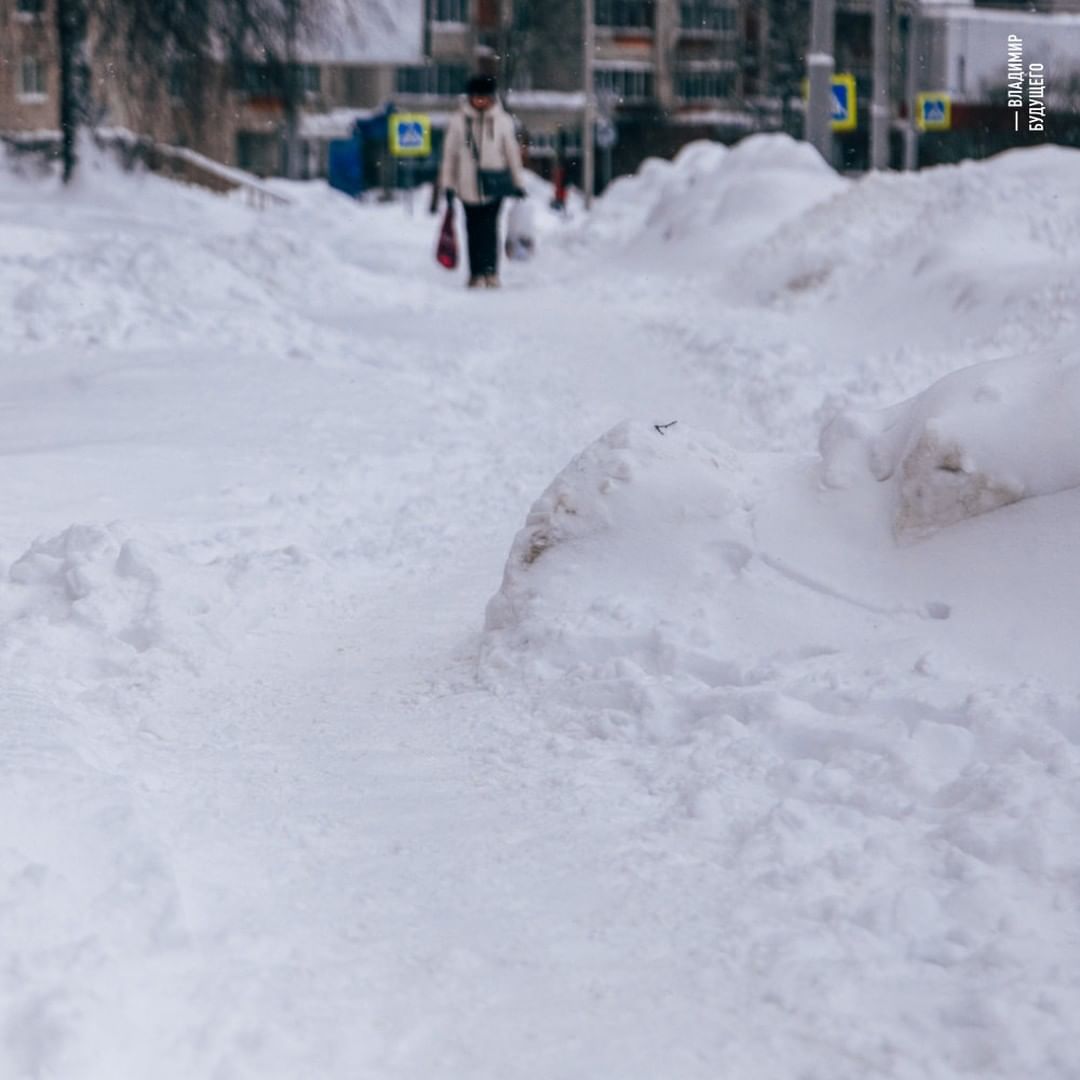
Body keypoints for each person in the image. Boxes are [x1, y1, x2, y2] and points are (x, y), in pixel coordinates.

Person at [439, 73, 527, 289]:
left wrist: (518, 184)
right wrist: (448, 186)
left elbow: (512, 154)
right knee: (472, 229)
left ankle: (491, 272)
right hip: (466, 186)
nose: (480, 100)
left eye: (484, 96)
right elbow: (450, 156)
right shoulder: (458, 121)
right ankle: (475, 273)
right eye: (476, 96)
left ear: (491, 97)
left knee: (490, 229)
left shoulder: (503, 121)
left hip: (494, 185)